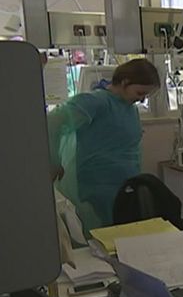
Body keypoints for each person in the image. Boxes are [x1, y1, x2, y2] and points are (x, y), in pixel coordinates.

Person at [47, 58, 160, 238]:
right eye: (140, 92)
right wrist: (53, 160)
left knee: (123, 239)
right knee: (99, 241)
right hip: (96, 189)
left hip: (125, 187)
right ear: (125, 82)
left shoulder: (129, 108)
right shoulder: (95, 102)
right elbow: (53, 122)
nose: (141, 99)